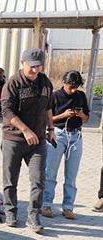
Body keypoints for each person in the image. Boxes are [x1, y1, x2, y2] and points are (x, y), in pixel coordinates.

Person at [1, 48, 55, 233]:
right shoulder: (13, 83)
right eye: (31, 66)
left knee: (38, 179)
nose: (35, 70)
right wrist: (25, 130)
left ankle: (34, 215)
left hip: (38, 141)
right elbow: (7, 111)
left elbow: (49, 108)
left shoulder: (46, 82)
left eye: (38, 66)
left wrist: (51, 129)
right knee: (10, 180)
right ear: (22, 63)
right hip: (14, 139)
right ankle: (10, 211)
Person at [41, 70, 89, 220]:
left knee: (71, 175)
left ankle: (68, 207)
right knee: (50, 172)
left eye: (76, 87)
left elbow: (87, 118)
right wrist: (63, 115)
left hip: (76, 136)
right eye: (71, 87)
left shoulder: (81, 96)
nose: (74, 90)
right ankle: (46, 204)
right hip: (58, 134)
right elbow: (46, 119)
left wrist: (80, 115)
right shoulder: (55, 96)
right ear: (64, 83)